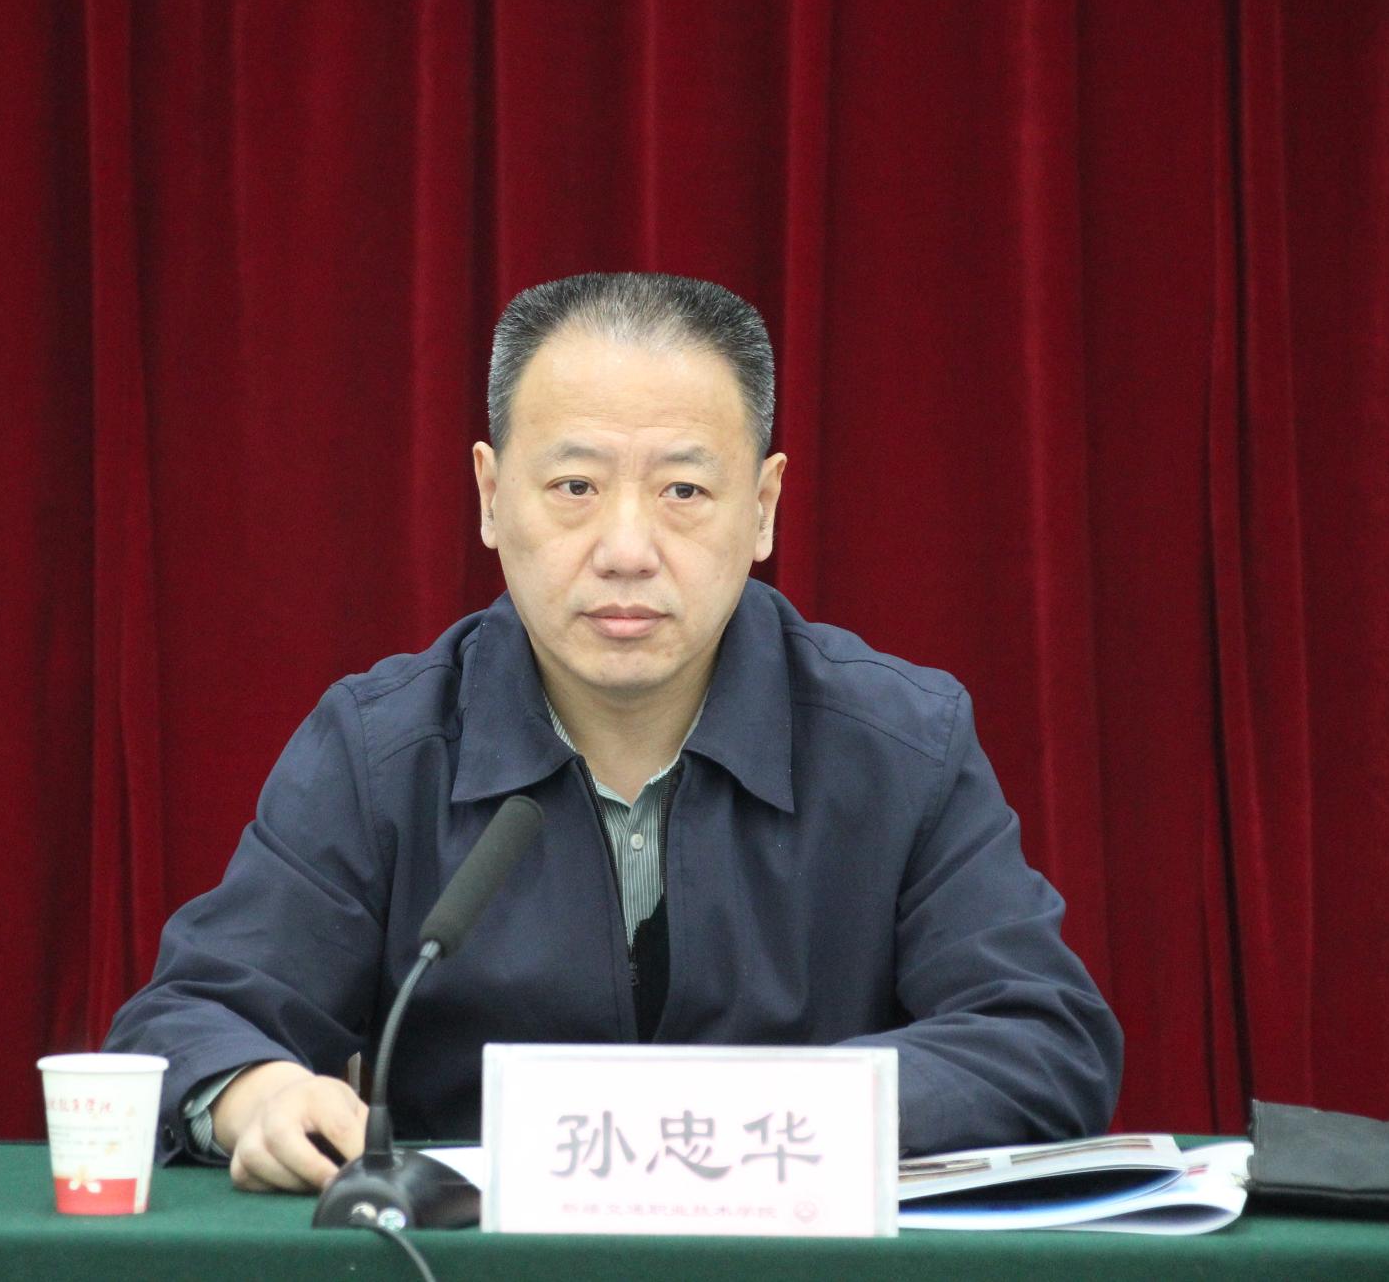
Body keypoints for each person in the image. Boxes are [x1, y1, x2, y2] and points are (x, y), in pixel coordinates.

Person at [106, 272, 1122, 1194]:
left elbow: (1042, 1038)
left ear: (762, 508)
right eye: (575, 488)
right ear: (490, 497)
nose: (627, 549)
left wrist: (752, 1121)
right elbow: (185, 1021)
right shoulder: (381, 752)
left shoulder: (900, 745)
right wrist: (259, 1093)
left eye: (683, 490)